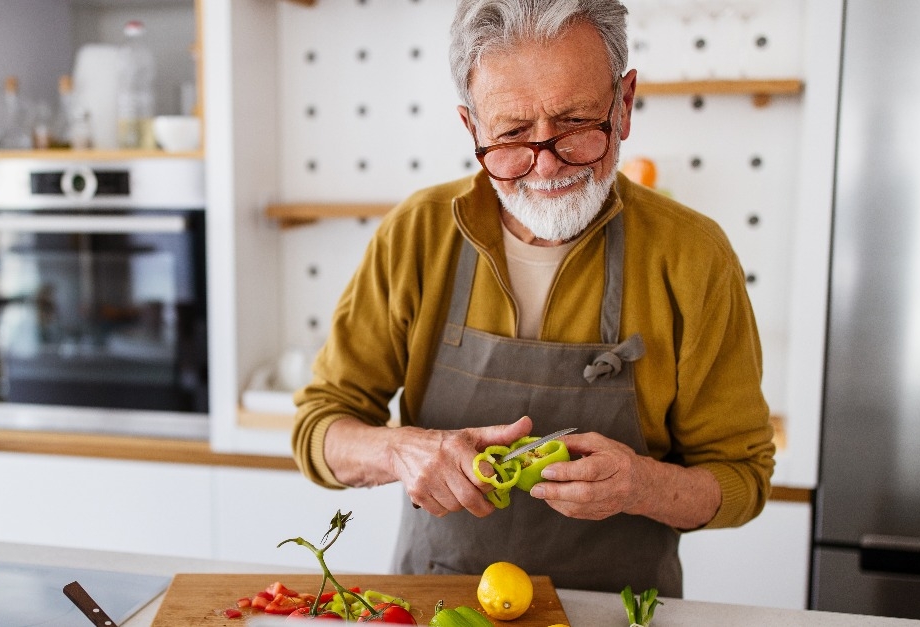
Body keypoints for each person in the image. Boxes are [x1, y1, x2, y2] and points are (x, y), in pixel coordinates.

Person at [292, 0, 774, 596]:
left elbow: (743, 477)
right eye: (513, 134)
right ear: (472, 127)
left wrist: (641, 485)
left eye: (574, 125)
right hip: (441, 602)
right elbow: (318, 430)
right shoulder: (416, 233)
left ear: (623, 106)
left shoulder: (693, 254)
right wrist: (403, 451)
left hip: (619, 609)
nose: (545, 166)